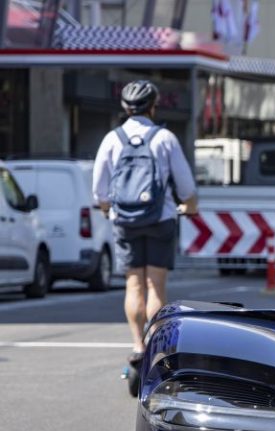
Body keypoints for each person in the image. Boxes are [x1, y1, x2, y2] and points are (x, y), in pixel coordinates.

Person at [92, 80, 198, 373]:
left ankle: (137, 345)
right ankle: (155, 344)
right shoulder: (164, 138)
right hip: (160, 219)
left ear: (125, 108)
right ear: (153, 106)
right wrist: (189, 206)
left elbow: (100, 190)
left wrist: (106, 209)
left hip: (124, 221)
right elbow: (186, 187)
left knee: (133, 284)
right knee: (155, 284)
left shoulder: (112, 139)